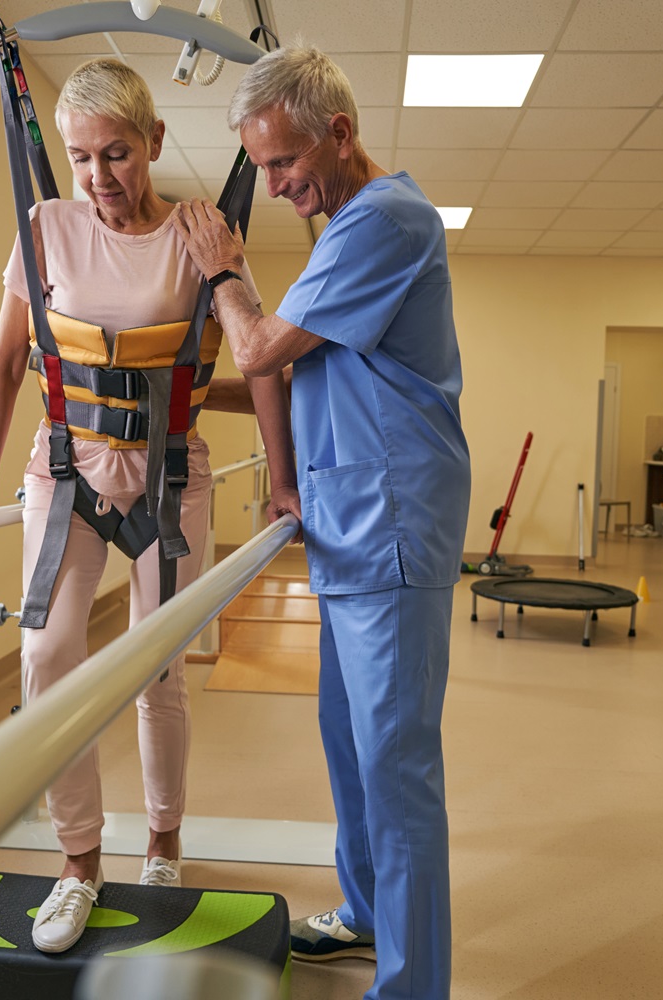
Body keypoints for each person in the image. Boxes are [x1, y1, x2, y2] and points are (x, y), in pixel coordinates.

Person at [0, 58, 258, 955]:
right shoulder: (44, 230)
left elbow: (260, 362)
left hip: (169, 476)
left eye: (118, 153)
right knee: (47, 653)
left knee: (158, 667)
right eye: (81, 159)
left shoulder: (202, 232)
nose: (102, 177)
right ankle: (78, 860)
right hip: (65, 471)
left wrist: (288, 488)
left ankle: (162, 839)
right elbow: (3, 364)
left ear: (154, 142)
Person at [172, 46, 470, 1000]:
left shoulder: (387, 219)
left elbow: (259, 343)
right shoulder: (345, 226)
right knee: (348, 737)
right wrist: (171, 394)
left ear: (339, 132)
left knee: (396, 768)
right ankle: (370, 915)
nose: (275, 184)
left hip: (392, 523)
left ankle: (412, 982)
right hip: (350, 524)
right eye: (261, 168)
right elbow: (294, 372)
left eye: (283, 162)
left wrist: (225, 268)